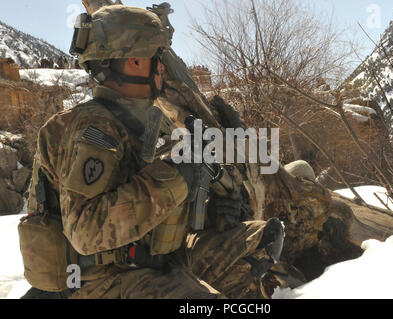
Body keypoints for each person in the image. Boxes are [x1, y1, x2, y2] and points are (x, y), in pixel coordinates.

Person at [20, 5, 284, 299]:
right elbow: (87, 231)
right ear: (134, 60)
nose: (161, 68)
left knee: (260, 238)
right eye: (157, 58)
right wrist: (178, 174)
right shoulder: (95, 128)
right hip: (102, 283)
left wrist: (210, 211)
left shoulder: (143, 121)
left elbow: (148, 206)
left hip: (153, 262)